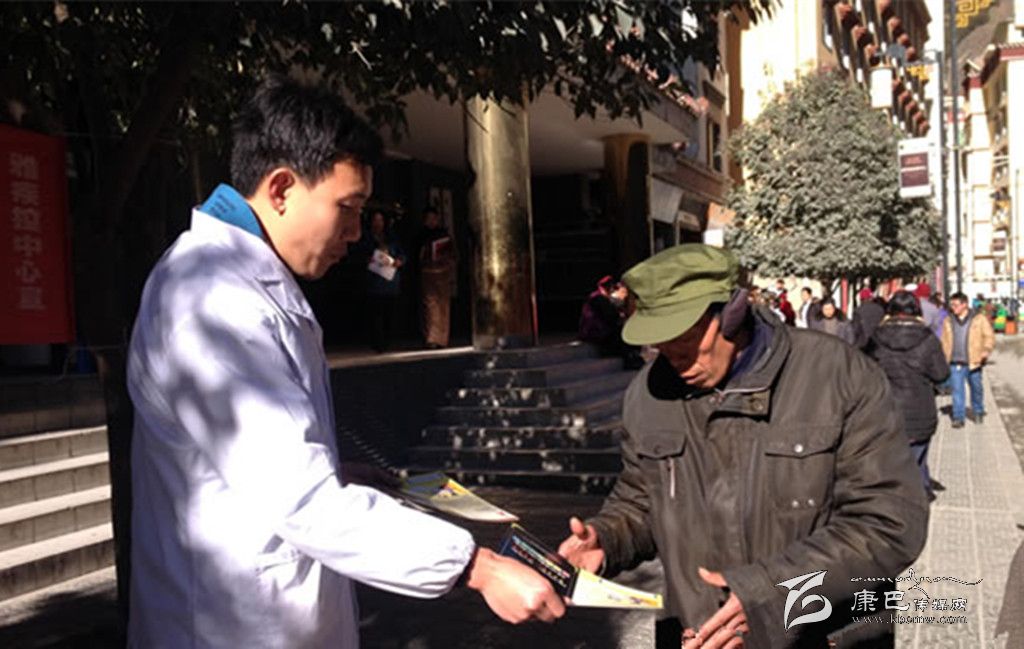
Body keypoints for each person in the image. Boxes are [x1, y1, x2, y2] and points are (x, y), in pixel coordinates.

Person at [126, 76, 564, 649]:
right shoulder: (213, 299)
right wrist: (479, 568)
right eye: (348, 208)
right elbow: (303, 500)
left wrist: (333, 467)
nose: (356, 233)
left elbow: (258, 462)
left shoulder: (244, 282)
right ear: (281, 189)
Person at [557, 244, 928, 649]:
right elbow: (642, 498)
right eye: (660, 345)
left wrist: (770, 593)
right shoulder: (648, 394)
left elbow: (888, 521)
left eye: (685, 340)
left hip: (814, 634)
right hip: (698, 633)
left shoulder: (838, 375)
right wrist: (607, 539)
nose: (675, 359)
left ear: (732, 315)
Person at [866, 291, 949, 501]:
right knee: (917, 457)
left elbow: (865, 372)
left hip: (885, 409)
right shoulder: (928, 338)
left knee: (889, 458)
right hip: (920, 408)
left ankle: (893, 495)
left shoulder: (876, 337)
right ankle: (918, 494)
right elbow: (941, 374)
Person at [941, 292, 996, 428]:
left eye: (956, 305)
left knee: (976, 389)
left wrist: (986, 350)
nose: (953, 307)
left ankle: (978, 410)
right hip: (955, 362)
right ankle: (958, 417)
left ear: (965, 304)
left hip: (974, 361)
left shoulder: (978, 319)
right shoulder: (948, 320)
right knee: (957, 390)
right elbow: (944, 340)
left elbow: (989, 336)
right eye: (951, 305)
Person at [361, 210, 405, 352]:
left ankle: (387, 341)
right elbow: (360, 254)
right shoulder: (366, 238)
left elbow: (402, 255)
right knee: (376, 315)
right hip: (374, 281)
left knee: (389, 314)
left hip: (390, 280)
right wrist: (368, 259)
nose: (378, 223)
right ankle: (377, 343)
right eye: (375, 220)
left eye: (380, 220)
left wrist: (399, 261)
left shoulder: (392, 238)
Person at [417, 206, 456, 348]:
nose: (431, 221)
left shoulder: (443, 234)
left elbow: (452, 254)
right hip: (427, 272)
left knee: (443, 305)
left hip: (443, 273)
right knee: (430, 305)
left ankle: (442, 338)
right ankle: (431, 338)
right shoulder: (421, 235)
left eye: (434, 218)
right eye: (428, 219)